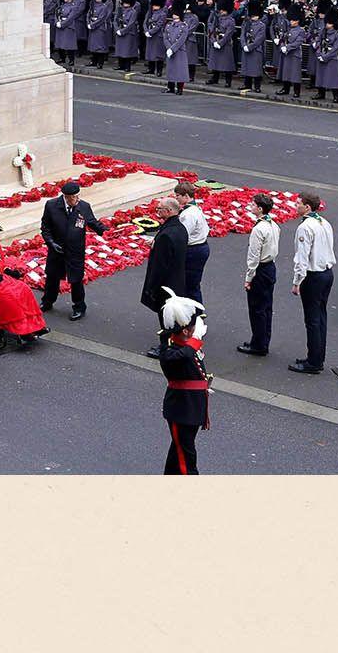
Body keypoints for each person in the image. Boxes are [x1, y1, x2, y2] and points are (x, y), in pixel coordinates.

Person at [156, 290, 212, 474]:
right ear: (186, 330)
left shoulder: (183, 345)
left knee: (178, 451)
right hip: (182, 410)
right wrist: (195, 340)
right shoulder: (170, 352)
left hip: (191, 407)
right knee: (186, 458)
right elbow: (183, 356)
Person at [39, 180, 103, 320]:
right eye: (74, 197)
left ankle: (79, 307)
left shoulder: (84, 207)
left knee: (76, 280)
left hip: (75, 251)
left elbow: (93, 222)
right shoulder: (51, 206)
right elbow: (45, 228)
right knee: (52, 277)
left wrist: (105, 231)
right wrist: (51, 243)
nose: (78, 199)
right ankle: (47, 301)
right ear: (66, 197)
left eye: (78, 196)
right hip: (57, 249)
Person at [290, 191, 335, 374]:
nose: (296, 206)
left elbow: (302, 257)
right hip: (327, 273)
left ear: (307, 207)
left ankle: (314, 361)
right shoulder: (324, 222)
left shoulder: (305, 227)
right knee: (320, 317)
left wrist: (297, 281)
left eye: (298, 203)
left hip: (313, 275)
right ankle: (317, 356)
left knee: (312, 320)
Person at [139, 196, 188, 359]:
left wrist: (152, 287)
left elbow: (160, 265)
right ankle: (174, 343)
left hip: (165, 285)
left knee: (166, 318)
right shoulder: (179, 228)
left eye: (159, 209)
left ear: (169, 211)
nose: (157, 211)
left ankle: (165, 347)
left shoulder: (166, 233)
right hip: (177, 280)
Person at [237, 192, 280, 357]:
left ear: (260, 208)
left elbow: (253, 256)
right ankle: (262, 340)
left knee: (256, 309)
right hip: (270, 267)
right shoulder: (273, 225)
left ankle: (258, 344)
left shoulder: (258, 229)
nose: (251, 206)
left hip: (260, 270)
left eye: (253, 205)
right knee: (266, 307)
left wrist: (249, 278)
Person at [175, 180, 210, 303]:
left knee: (189, 283)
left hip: (193, 250)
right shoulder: (194, 208)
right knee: (193, 282)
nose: (176, 198)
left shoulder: (188, 214)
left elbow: (182, 235)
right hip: (200, 247)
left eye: (178, 196)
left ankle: (195, 311)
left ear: (186, 196)